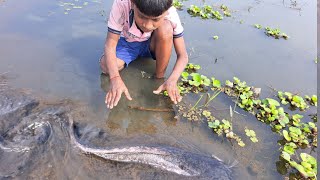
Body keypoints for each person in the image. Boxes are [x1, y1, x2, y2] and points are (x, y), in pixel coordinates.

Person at [100, 0, 188, 109]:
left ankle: (159, 78)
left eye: (155, 19)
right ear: (132, 3)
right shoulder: (121, 4)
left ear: (166, 12)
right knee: (105, 66)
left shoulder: (171, 13)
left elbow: (183, 55)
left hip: (153, 43)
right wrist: (115, 78)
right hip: (128, 43)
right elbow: (110, 45)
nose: (148, 25)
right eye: (142, 16)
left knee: (165, 28)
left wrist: (172, 79)